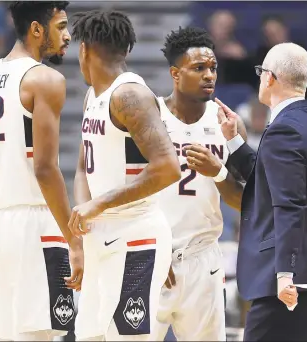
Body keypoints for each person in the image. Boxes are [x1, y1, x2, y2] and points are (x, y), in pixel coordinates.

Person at [0, 2, 83, 341]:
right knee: (45, 335)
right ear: (36, 29)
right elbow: (45, 170)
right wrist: (73, 242)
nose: (68, 35)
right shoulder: (45, 80)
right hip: (36, 227)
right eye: (61, 26)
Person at [67, 10, 181, 341]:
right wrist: (84, 216)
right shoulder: (93, 96)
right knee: (90, 336)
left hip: (135, 236)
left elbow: (168, 167)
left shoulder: (129, 95)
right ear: (127, 49)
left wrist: (97, 205)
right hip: (101, 233)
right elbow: (82, 167)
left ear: (84, 49)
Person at [215, 42, 307, 341]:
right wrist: (233, 140)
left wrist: (286, 273)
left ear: (269, 77)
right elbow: (270, 180)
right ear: (306, 82)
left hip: (289, 282)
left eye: (261, 72)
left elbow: (289, 205)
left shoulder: (284, 130)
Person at [153, 26, 247, 341]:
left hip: (202, 257)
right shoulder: (149, 116)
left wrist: (218, 172)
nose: (210, 75)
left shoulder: (228, 124)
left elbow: (248, 202)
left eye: (213, 68)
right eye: (199, 68)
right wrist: (149, 247)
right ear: (175, 74)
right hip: (151, 254)